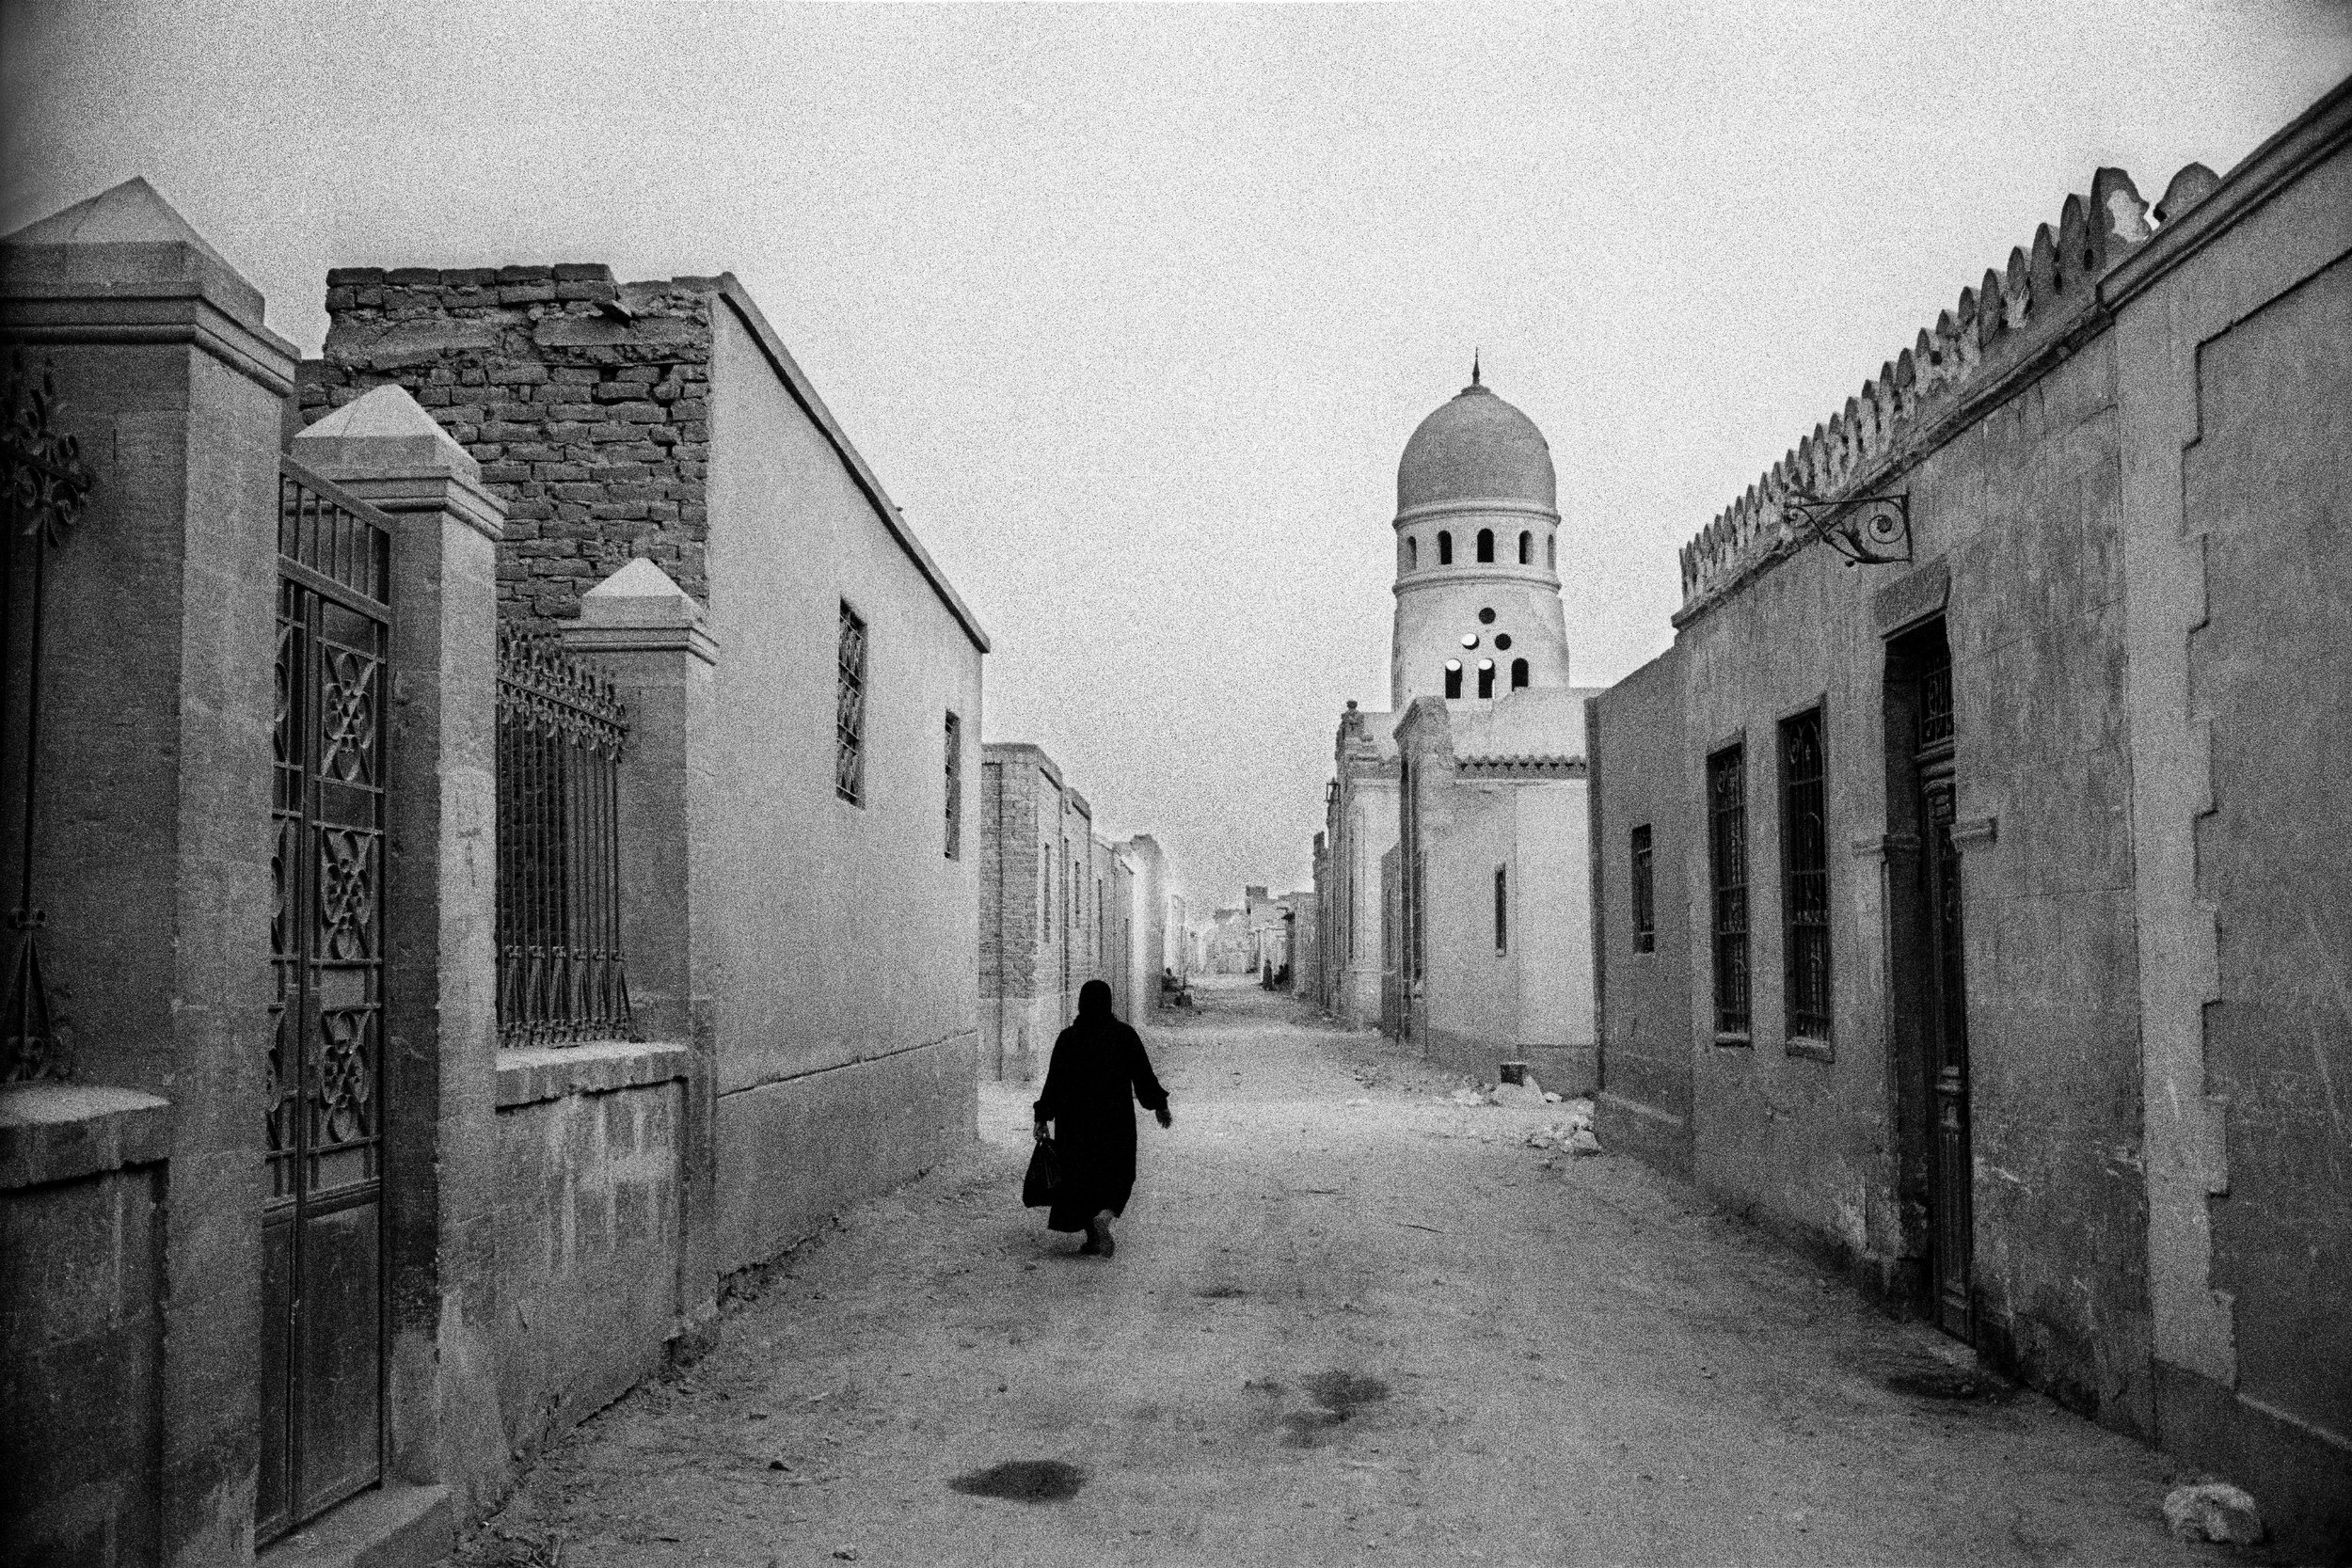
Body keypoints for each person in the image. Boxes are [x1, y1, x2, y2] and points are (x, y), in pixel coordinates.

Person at [1033, 979, 1171, 1257]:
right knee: (1120, 1174)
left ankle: (1093, 1238)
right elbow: (1143, 1076)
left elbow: (1054, 1083)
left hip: (1075, 1124)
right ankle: (1104, 1219)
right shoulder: (1124, 1035)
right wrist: (1159, 1105)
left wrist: (1042, 1117)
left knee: (1081, 1177)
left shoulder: (1068, 1039)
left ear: (1081, 1004)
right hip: (1115, 1121)